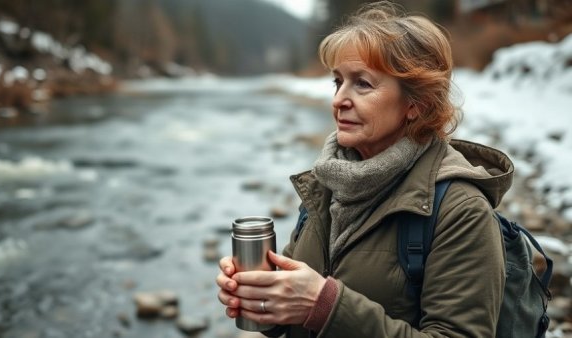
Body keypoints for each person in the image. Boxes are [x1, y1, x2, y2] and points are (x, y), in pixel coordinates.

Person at [216, 1, 512, 337]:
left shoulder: (460, 211)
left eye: (363, 84)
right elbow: (295, 311)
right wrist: (266, 301)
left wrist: (324, 305)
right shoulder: (328, 181)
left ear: (417, 104)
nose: (339, 99)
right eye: (338, 82)